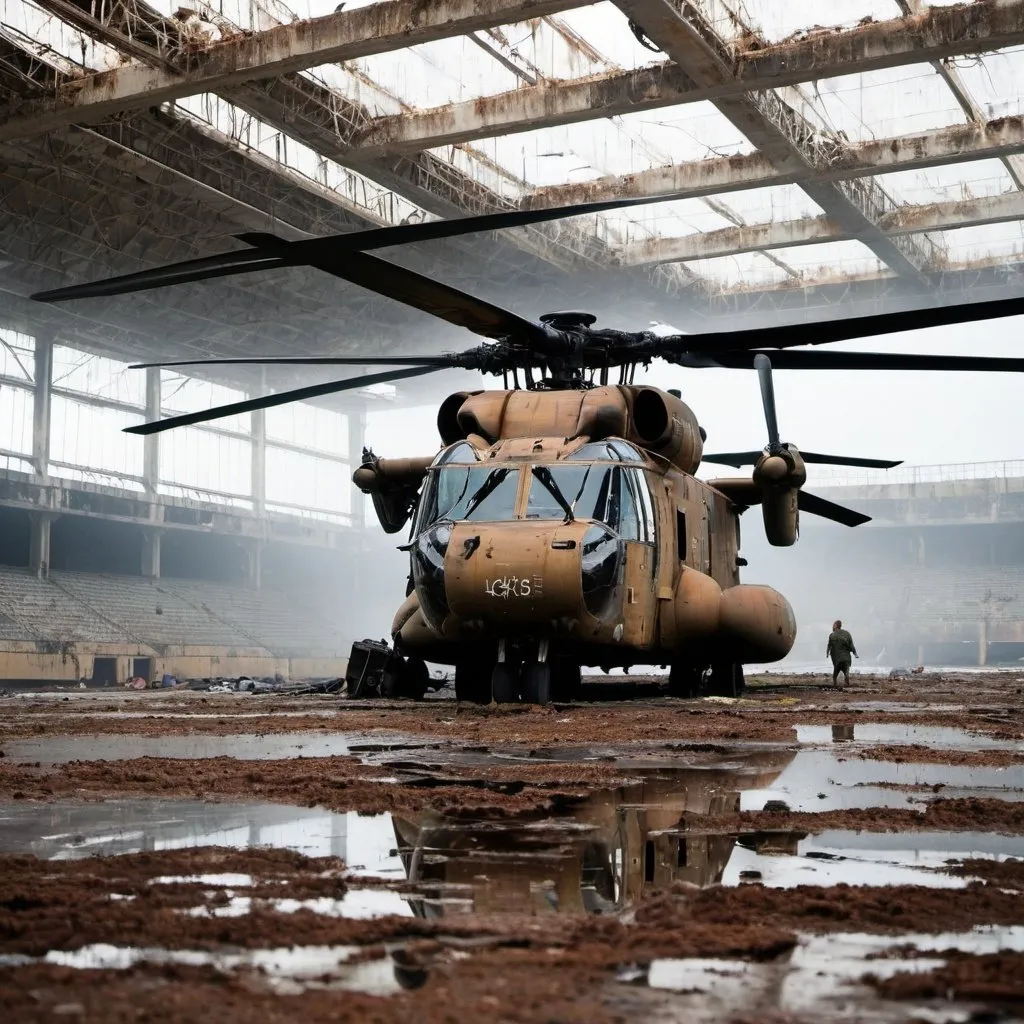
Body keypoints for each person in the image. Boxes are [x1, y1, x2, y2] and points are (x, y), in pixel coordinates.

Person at [826, 619, 858, 686]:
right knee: (846, 671)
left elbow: (829, 646)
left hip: (837, 659)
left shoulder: (832, 635)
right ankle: (846, 681)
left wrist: (827, 653)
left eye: (833, 625)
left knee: (835, 675)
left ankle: (835, 684)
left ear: (835, 626)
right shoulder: (847, 633)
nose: (832, 626)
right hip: (846, 658)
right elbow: (851, 645)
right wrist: (855, 654)